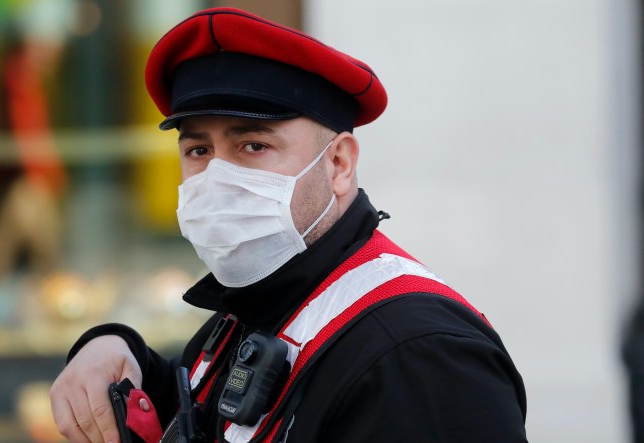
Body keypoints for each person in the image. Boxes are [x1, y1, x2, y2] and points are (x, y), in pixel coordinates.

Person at [50, 7, 528, 443]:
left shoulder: (416, 357)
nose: (219, 177)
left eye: (253, 146)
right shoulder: (262, 303)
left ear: (338, 163)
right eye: (199, 151)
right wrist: (118, 349)